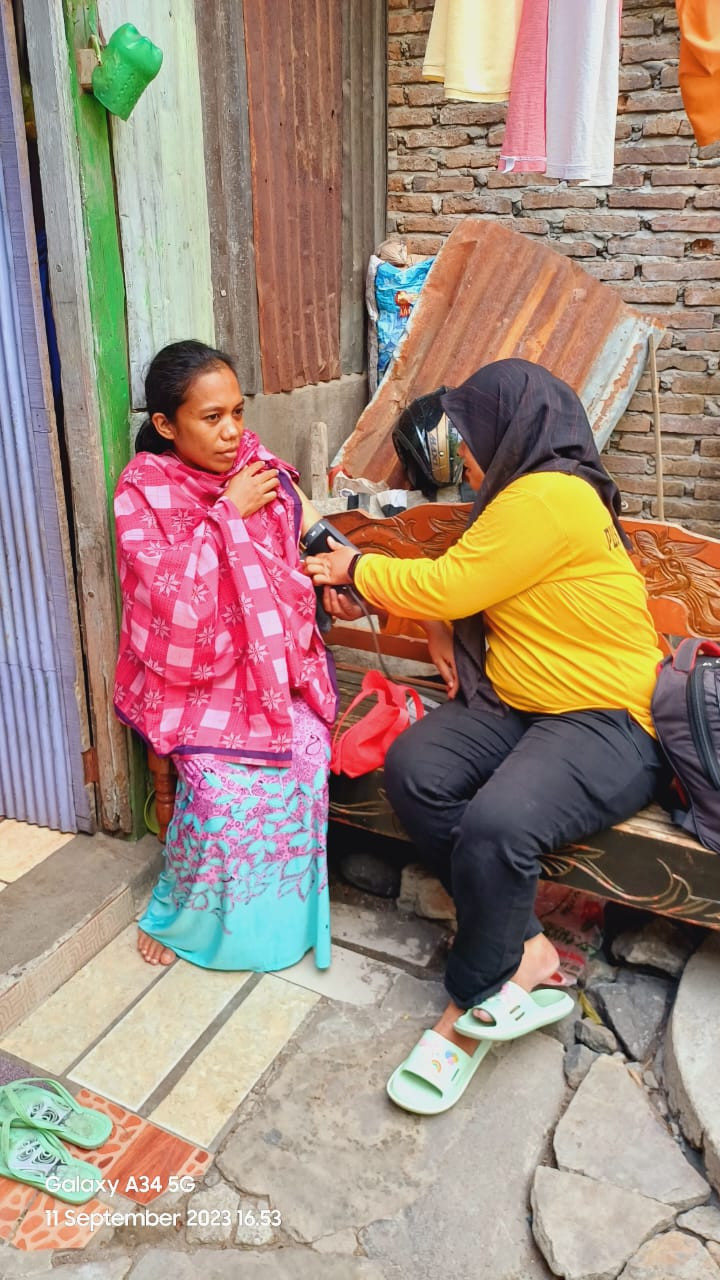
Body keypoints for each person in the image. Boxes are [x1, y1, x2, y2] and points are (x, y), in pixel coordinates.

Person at [306, 358, 665, 1115]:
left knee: (500, 825)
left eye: (467, 436)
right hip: (521, 703)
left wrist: (355, 564)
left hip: (607, 717)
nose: (462, 455)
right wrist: (398, 599)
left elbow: (451, 585)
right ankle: (525, 943)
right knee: (417, 768)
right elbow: (463, 588)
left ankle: (469, 1004)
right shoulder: (516, 498)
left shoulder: (553, 496)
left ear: (512, 429)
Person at [114, 340, 338, 972]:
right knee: (225, 796)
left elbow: (304, 532)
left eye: (237, 412)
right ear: (165, 424)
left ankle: (281, 926)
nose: (232, 431)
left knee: (305, 758)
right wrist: (227, 516)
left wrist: (340, 576)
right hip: (188, 679)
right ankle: (183, 911)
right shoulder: (144, 490)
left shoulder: (255, 466)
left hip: (267, 670)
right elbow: (168, 602)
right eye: (212, 418)